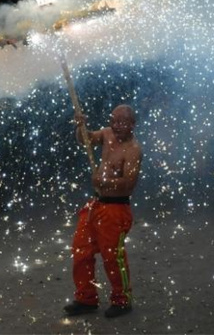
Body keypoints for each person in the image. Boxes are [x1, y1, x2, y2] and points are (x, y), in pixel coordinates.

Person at [64, 105, 143, 319]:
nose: (116, 126)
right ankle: (86, 299)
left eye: (122, 122)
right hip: (96, 205)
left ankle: (122, 300)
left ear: (132, 125)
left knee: (112, 257)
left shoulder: (134, 149)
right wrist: (81, 126)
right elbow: (86, 140)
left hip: (116, 210)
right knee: (81, 251)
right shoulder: (107, 134)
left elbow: (129, 184)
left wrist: (106, 182)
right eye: (113, 121)